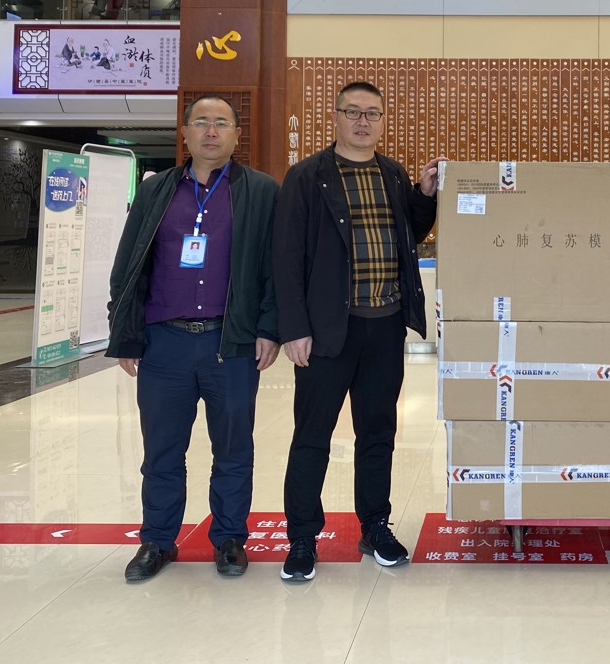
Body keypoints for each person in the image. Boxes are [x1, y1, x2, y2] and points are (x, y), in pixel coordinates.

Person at [273, 80, 442, 584]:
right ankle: (303, 537)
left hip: (384, 328)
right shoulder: (307, 176)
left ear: (383, 121)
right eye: (353, 112)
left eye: (372, 113)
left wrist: (424, 195)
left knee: (378, 434)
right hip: (327, 331)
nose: (363, 121)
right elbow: (286, 257)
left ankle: (375, 526)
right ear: (336, 117)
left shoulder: (392, 174)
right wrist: (294, 328)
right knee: (312, 437)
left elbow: (408, 234)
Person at [107, 95, 280, 583]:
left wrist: (269, 328)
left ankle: (229, 539)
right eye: (200, 122)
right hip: (165, 343)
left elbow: (276, 267)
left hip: (232, 341)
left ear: (236, 135)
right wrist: (125, 332)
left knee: (233, 449)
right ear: (183, 133)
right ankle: (157, 541)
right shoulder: (157, 190)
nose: (210, 131)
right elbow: (128, 262)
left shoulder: (261, 191)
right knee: (162, 451)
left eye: (221, 123)